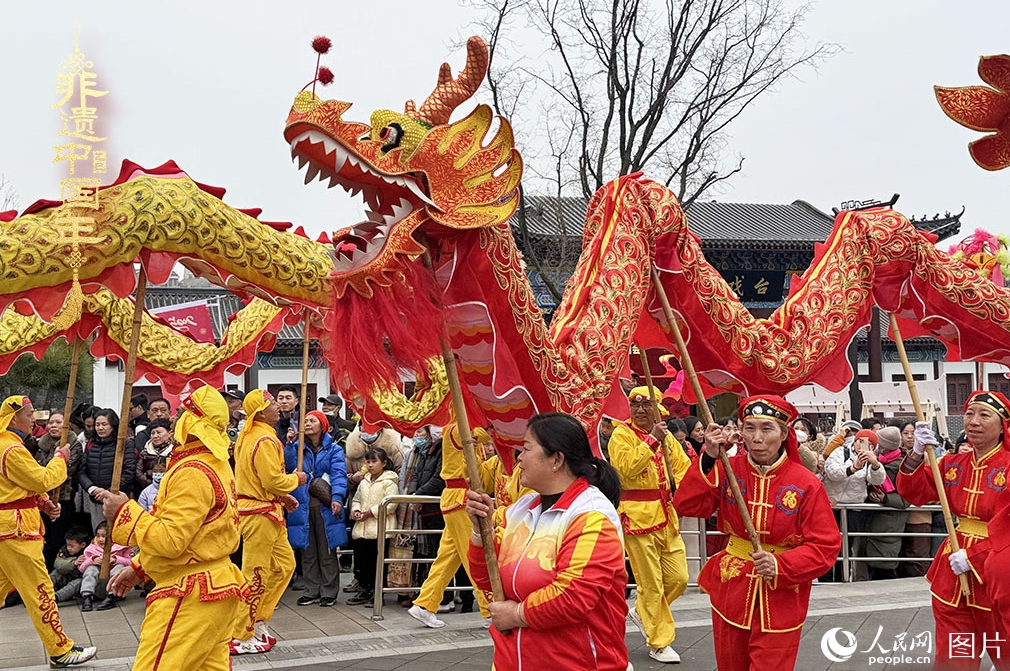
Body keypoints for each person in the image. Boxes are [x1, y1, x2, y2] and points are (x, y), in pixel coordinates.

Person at [673, 396, 840, 671]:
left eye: (767, 428)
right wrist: (709, 458)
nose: (757, 438)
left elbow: (826, 546)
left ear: (784, 433)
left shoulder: (806, 484)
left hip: (783, 594)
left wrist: (780, 563)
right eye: (749, 428)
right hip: (732, 587)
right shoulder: (728, 469)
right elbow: (688, 504)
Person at [99, 385, 248, 671]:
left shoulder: (192, 471)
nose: (174, 418)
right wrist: (141, 567)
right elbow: (195, 534)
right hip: (214, 585)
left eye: (181, 412)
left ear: (192, 420)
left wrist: (124, 511)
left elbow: (170, 540)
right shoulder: (214, 462)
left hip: (190, 593)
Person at [465, 412, 629, 671]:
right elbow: (487, 577)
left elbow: (573, 595)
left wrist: (516, 615)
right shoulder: (520, 509)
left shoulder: (592, 515)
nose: (519, 458)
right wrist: (479, 531)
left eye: (526, 448)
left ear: (556, 459)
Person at [896, 392, 1010, 669]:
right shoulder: (950, 464)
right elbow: (914, 493)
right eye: (969, 413)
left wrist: (974, 556)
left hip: (995, 571)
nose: (974, 421)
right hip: (951, 569)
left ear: (1004, 425)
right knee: (953, 656)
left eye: (985, 415)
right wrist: (916, 454)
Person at [0, 395, 96, 667]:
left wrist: (41, 500)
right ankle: (60, 649)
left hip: (9, 527)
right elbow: (43, 478)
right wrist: (60, 458)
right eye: (30, 414)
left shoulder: (9, 446)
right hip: (15, 531)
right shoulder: (11, 449)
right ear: (14, 418)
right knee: (40, 590)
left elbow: (18, 484)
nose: (34, 420)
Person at [608, 386, 690, 664]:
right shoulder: (621, 435)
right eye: (635, 405)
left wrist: (685, 486)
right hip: (637, 516)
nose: (640, 410)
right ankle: (659, 641)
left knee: (679, 579)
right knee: (651, 583)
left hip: (667, 516)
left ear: (658, 410)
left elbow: (683, 468)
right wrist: (650, 442)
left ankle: (642, 611)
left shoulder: (668, 439)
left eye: (647, 405)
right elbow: (626, 468)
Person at [230, 390, 305, 654]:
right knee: (256, 574)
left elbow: (261, 480)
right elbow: (272, 480)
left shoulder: (257, 435)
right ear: (260, 412)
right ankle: (240, 633)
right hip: (258, 514)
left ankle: (259, 618)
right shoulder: (262, 438)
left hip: (267, 510)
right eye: (272, 402)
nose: (277, 406)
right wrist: (295, 481)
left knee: (285, 566)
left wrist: (282, 497)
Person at [408, 424, 493, 628]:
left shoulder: (455, 426)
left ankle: (425, 604)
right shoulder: (457, 427)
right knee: (473, 555)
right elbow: (478, 434)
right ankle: (489, 608)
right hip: (461, 499)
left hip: (459, 498)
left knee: (447, 557)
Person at [285, 410, 348, 607]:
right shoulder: (297, 447)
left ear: (323, 425)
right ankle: (311, 590)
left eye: (312, 421)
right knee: (308, 550)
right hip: (302, 506)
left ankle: (329, 591)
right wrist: (288, 445)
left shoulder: (334, 450)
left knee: (327, 549)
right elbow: (287, 468)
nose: (308, 424)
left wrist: (337, 497)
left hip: (324, 505)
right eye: (305, 421)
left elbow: (338, 474)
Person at [823, 428, 885, 580]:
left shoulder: (872, 460)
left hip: (853, 508)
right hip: (831, 506)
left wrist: (875, 463)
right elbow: (832, 473)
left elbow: (877, 480)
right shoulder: (840, 452)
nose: (862, 446)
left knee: (846, 546)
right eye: (861, 441)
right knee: (826, 544)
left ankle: (842, 577)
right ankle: (824, 577)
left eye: (869, 444)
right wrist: (853, 468)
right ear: (855, 441)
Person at [348, 447, 400, 605]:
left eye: (374, 461)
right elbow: (357, 499)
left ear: (384, 463)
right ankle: (363, 590)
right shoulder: (364, 481)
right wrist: (356, 511)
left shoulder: (390, 482)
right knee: (361, 561)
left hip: (379, 528)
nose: (370, 465)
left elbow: (391, 504)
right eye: (368, 461)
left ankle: (377, 594)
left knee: (377, 563)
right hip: (362, 528)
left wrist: (371, 512)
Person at [32, 411, 82, 568]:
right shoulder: (39, 444)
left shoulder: (73, 444)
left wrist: (52, 467)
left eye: (58, 422)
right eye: (51, 422)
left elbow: (66, 470)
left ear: (66, 425)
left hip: (63, 497)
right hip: (42, 497)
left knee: (59, 536)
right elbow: (35, 470)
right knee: (44, 537)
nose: (53, 425)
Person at [861, 426, 909, 580]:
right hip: (871, 521)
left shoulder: (903, 466)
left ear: (884, 446)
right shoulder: (875, 461)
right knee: (870, 565)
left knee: (884, 568)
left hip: (889, 523)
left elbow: (906, 499)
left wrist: (885, 499)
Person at [79, 409, 135, 531]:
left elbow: (129, 471)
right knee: (99, 535)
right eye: (97, 425)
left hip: (118, 499)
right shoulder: (90, 444)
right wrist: (93, 489)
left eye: (104, 424)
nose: (100, 428)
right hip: (96, 499)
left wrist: (110, 492)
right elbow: (82, 472)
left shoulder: (125, 444)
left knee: (120, 536)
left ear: (113, 425)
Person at [78, 521, 131, 612]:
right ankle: (87, 597)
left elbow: (131, 563)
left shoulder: (121, 547)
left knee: (119, 567)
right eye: (98, 536)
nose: (100, 539)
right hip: (98, 587)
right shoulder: (91, 548)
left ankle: (111, 597)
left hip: (117, 590)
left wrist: (116, 559)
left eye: (104, 536)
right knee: (91, 569)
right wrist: (92, 560)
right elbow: (81, 568)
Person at [50, 526, 89, 604]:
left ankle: (55, 598)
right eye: (67, 545)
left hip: (80, 581)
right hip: (68, 575)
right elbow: (58, 563)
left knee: (78, 582)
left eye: (72, 546)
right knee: (56, 573)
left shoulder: (89, 551)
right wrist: (74, 563)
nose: (68, 548)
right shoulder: (64, 550)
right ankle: (39, 592)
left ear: (83, 545)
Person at [135, 417, 174, 493]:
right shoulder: (145, 453)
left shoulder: (174, 452)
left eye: (159, 432)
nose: (155, 436)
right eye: (153, 433)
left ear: (169, 433)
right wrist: (152, 484)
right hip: (146, 490)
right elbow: (138, 473)